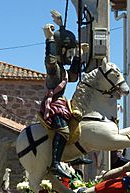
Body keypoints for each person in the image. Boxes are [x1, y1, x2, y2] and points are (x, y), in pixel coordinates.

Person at [39, 10, 88, 179]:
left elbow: (73, 77)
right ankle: (54, 164)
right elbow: (50, 60)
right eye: (69, 52)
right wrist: (49, 38)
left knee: (77, 124)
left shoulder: (64, 71)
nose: (70, 55)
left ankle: (74, 157)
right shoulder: (54, 70)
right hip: (54, 105)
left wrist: (79, 56)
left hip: (62, 103)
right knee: (64, 132)